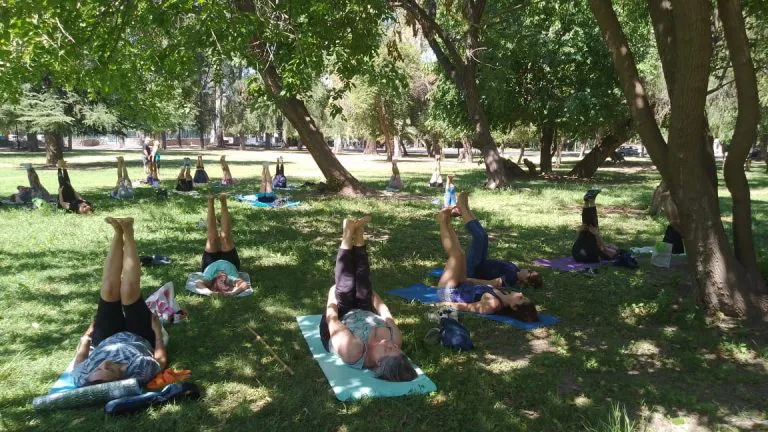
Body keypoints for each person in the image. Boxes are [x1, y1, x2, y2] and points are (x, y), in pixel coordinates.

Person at [319, 216, 417, 382]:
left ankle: (347, 233)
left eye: (388, 349)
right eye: (395, 348)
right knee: (363, 282)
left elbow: (332, 320)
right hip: (363, 311)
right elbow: (385, 313)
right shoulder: (395, 341)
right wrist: (370, 293)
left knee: (345, 287)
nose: (391, 344)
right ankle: (359, 235)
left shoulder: (354, 351)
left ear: (378, 362)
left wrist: (331, 295)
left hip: (341, 317)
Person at [72, 217, 167, 387]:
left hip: (105, 339)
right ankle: (128, 232)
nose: (104, 364)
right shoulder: (138, 371)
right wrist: (158, 333)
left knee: (108, 289)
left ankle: (117, 232)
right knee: (129, 292)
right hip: (140, 337)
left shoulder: (82, 377)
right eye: (109, 369)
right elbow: (161, 361)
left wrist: (86, 337)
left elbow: (79, 360)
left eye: (98, 369)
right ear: (120, 374)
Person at [432, 203, 539, 322]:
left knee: (456, 256)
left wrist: (442, 304)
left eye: (521, 299)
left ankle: (442, 221)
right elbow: (478, 285)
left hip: (448, 293)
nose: (520, 294)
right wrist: (468, 280)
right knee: (461, 254)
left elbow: (467, 307)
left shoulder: (493, 305)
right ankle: (446, 220)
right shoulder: (502, 293)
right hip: (462, 284)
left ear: (514, 307)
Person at [454, 191, 542, 288]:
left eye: (529, 272)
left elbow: (493, 283)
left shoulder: (511, 279)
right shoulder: (516, 270)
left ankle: (462, 206)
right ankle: (465, 207)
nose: (528, 269)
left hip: (472, 269)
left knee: (479, 237)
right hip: (480, 263)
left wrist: (467, 280)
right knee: (484, 236)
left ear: (525, 281)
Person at [194, 194, 250, 296]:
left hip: (209, 264)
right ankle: (223, 201)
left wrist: (209, 292)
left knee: (212, 239)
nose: (222, 276)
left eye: (220, 281)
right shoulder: (231, 277)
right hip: (230, 262)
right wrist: (233, 293)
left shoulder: (209, 277)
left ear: (214, 283)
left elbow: (198, 283)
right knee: (225, 238)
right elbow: (244, 285)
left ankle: (210, 202)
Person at [571, 189, 619, 263]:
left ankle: (591, 200)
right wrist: (580, 231)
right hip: (577, 253)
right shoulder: (601, 248)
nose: (613, 245)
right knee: (586, 226)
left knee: (593, 227)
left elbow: (603, 248)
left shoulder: (614, 254)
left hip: (587, 255)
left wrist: (596, 234)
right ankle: (588, 201)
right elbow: (578, 240)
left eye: (614, 246)